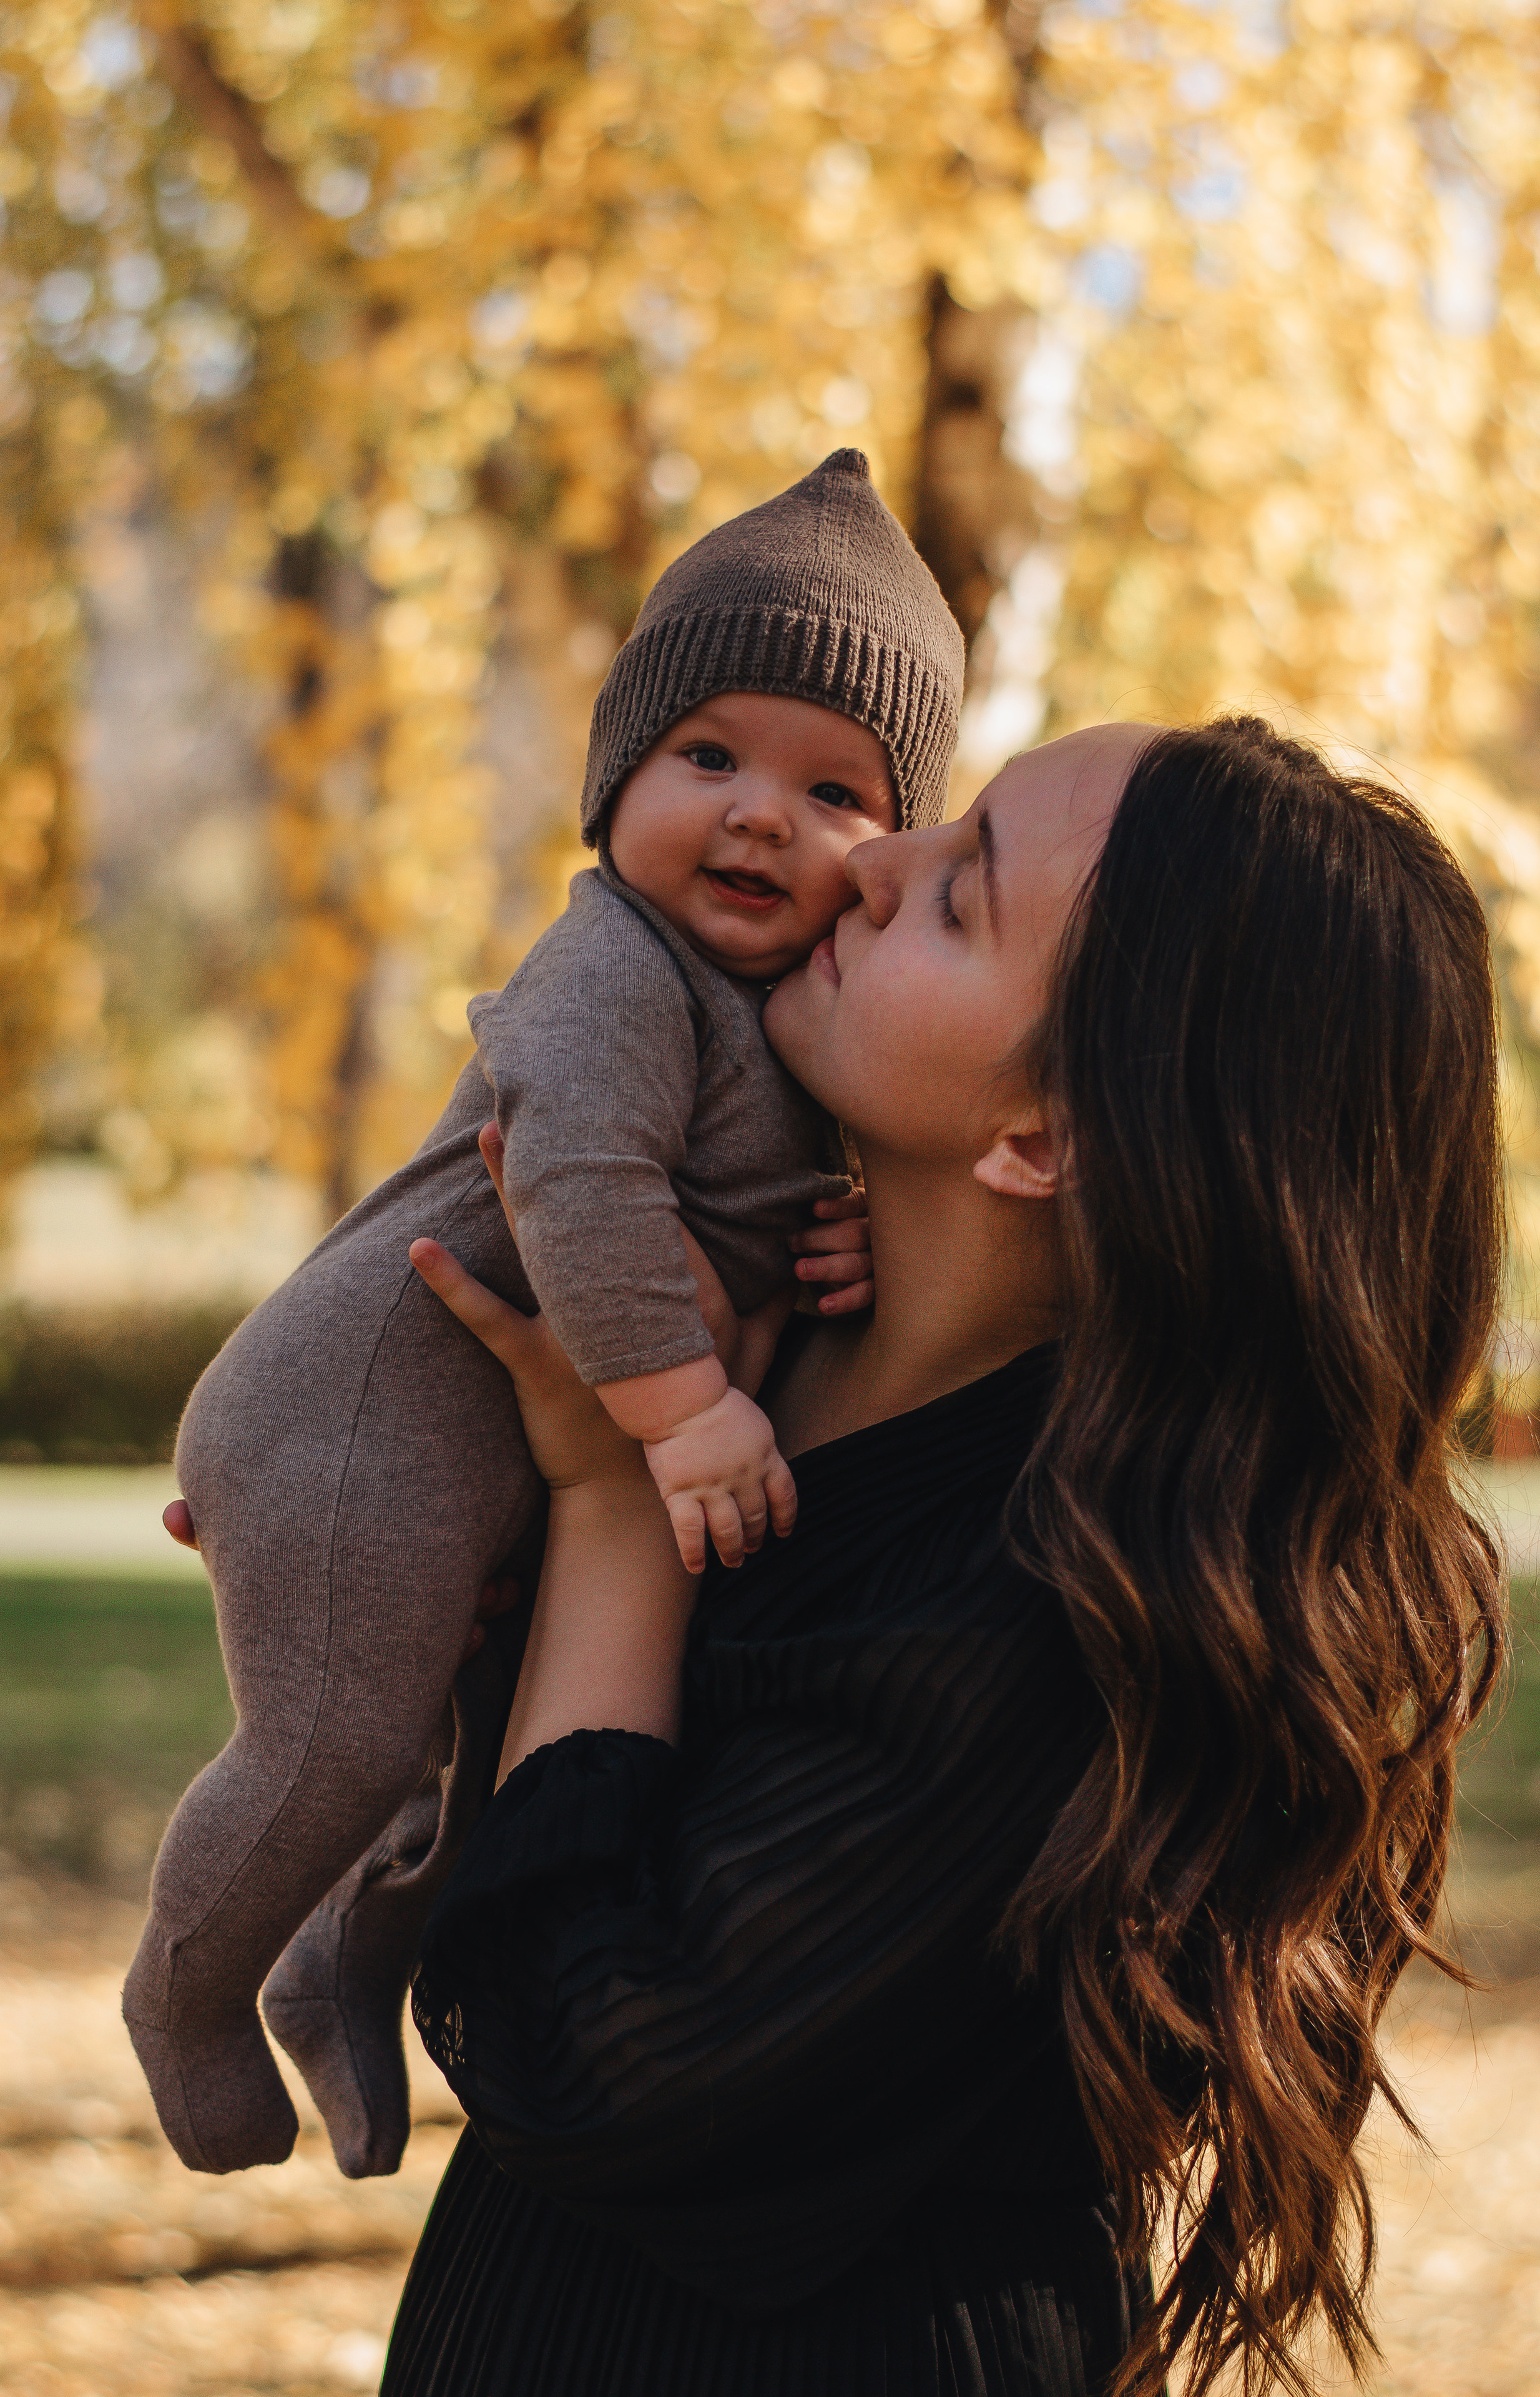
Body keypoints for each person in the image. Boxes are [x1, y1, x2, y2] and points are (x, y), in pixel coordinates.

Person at [386, 714, 1506, 2397]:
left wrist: (622, 1520)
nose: (866, 859)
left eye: (959, 893)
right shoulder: (756, 1350)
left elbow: (592, 2054)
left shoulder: (1061, 1610)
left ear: (1041, 1138)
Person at [125, 447, 966, 2182]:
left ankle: (330, 1974)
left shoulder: (783, 1019)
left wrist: (839, 1243)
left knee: (439, 1752)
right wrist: (687, 1413)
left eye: (835, 795)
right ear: (614, 781)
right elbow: (576, 1184)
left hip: (479, 1442)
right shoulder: (613, 970)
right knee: (340, 1740)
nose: (759, 816)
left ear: (886, 852)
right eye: (707, 757)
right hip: (357, 1399)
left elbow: (748, 1212)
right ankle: (182, 1998)